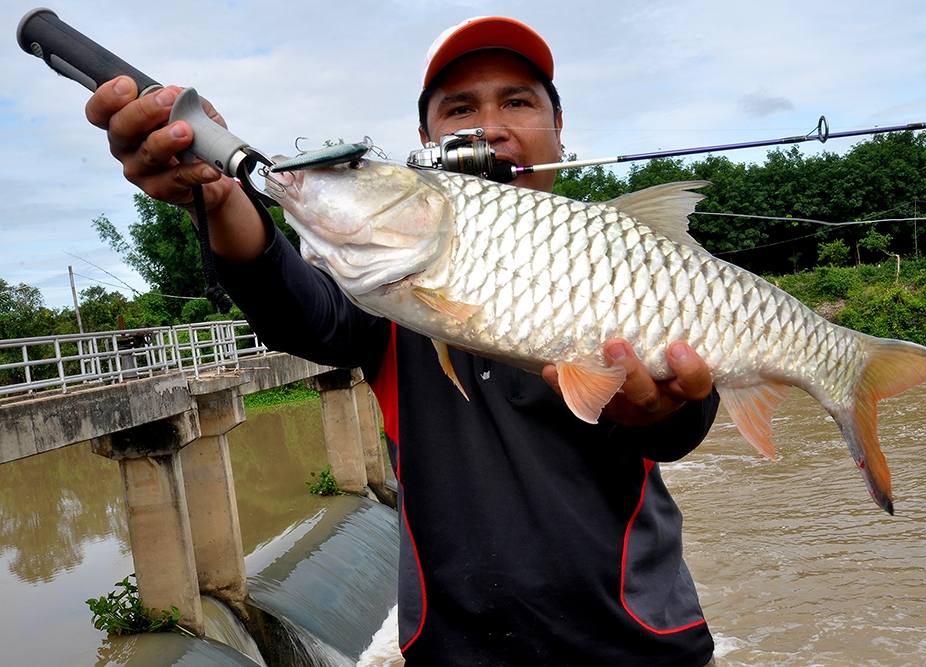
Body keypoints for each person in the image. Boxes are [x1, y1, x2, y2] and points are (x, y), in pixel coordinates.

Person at [86, 16, 720, 666]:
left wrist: (669, 410)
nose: (491, 125)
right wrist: (218, 199)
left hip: (644, 647)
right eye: (460, 107)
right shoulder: (383, 291)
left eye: (519, 101)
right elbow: (297, 307)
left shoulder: (617, 258)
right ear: (425, 142)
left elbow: (683, 422)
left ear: (559, 130)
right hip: (457, 653)